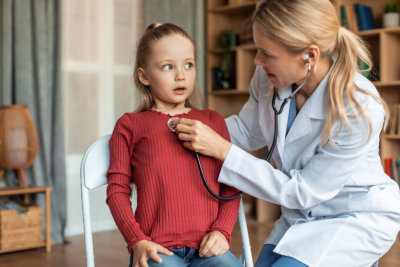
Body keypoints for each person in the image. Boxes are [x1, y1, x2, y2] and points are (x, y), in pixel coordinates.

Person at [174, 0, 400, 266]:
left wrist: (223, 151)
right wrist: (184, 126)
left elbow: (304, 190)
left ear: (309, 55)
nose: (257, 61)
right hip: (300, 215)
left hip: (353, 217)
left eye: (266, 53)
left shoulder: (359, 106)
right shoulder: (267, 78)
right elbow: (248, 129)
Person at [106, 22, 242, 267]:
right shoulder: (130, 125)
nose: (181, 75)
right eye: (168, 66)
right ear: (144, 75)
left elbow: (231, 184)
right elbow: (117, 191)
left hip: (209, 249)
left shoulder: (212, 121)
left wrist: (222, 231)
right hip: (157, 249)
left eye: (188, 65)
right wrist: (137, 241)